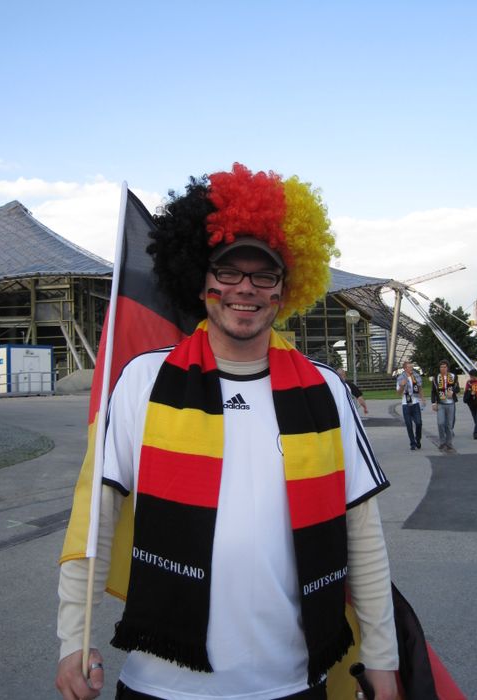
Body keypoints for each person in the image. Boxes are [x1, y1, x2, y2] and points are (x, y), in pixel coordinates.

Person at [56, 164, 398, 700]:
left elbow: (363, 536)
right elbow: (94, 520)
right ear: (201, 278)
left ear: (286, 289)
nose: (245, 288)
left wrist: (381, 660)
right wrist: (70, 640)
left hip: (292, 682)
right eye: (227, 270)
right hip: (160, 683)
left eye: (264, 274)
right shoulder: (144, 380)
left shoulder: (326, 391)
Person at [431, 359, 460, 453]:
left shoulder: (453, 376)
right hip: (441, 403)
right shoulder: (436, 377)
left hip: (451, 404)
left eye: (444, 367)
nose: (442, 369)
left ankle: (449, 443)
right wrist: (433, 403)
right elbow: (433, 392)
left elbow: (458, 389)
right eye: (441, 367)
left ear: (448, 368)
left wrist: (453, 392)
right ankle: (442, 441)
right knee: (440, 423)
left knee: (449, 425)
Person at [396, 361, 425, 450]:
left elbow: (420, 388)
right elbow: (398, 393)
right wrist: (402, 386)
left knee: (419, 423)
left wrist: (422, 399)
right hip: (406, 404)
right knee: (408, 424)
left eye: (412, 367)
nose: (411, 369)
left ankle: (418, 439)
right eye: (409, 367)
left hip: (415, 403)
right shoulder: (401, 378)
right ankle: (412, 443)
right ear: (405, 369)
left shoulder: (416, 376)